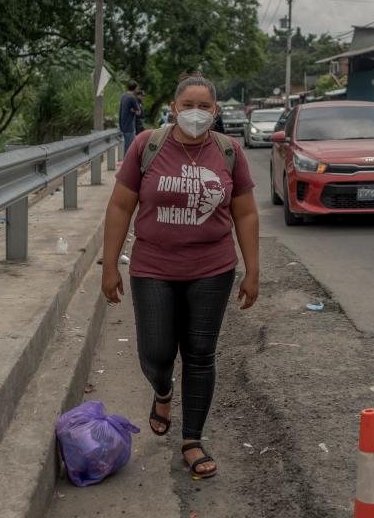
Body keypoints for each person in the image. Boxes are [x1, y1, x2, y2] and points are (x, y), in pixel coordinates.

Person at [101, 75, 259, 480]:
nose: (195, 112)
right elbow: (120, 207)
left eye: (204, 106)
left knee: (200, 354)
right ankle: (162, 390)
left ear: (216, 111)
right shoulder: (147, 146)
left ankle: (192, 439)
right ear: (173, 106)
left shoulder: (229, 151)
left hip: (212, 269)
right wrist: (108, 265)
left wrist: (252, 269)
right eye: (188, 104)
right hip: (153, 267)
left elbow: (245, 212)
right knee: (154, 353)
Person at [119, 81, 142, 155]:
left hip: (122, 125)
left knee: (126, 147)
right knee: (129, 148)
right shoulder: (132, 98)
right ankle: (126, 165)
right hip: (129, 127)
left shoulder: (123, 96)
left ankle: (125, 163)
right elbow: (139, 112)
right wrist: (133, 111)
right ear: (135, 89)